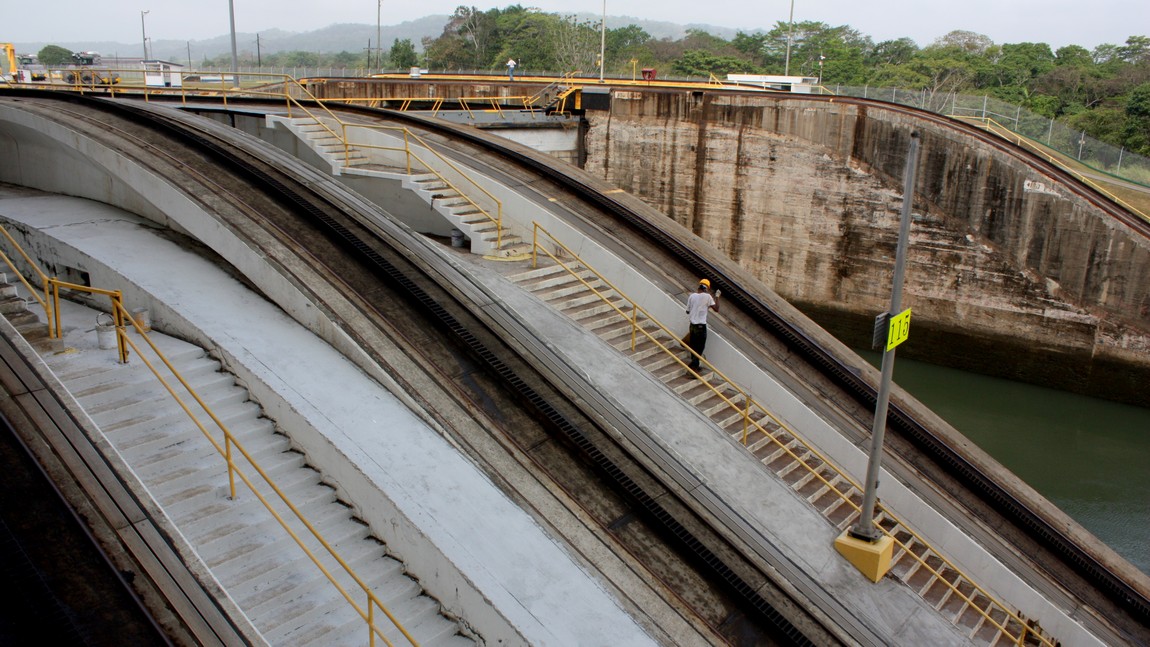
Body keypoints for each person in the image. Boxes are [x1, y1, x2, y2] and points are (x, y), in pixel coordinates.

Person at [685, 278, 720, 371]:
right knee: (700, 347)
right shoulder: (707, 297)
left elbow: (687, 311)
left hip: (692, 326)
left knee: (693, 346)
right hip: (700, 327)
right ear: (706, 288)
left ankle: (694, 363)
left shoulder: (692, 296)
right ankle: (693, 366)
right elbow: (716, 309)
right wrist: (717, 297)